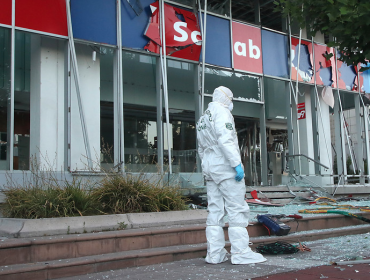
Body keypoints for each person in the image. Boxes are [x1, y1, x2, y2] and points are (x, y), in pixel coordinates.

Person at [196, 86, 266, 265]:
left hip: (211, 167)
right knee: (237, 209)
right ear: (226, 98)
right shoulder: (222, 112)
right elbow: (225, 139)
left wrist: (207, 168)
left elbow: (201, 149)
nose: (231, 102)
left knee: (215, 211)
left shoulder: (203, 118)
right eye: (231, 98)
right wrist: (236, 164)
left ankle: (214, 254)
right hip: (225, 166)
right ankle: (241, 252)